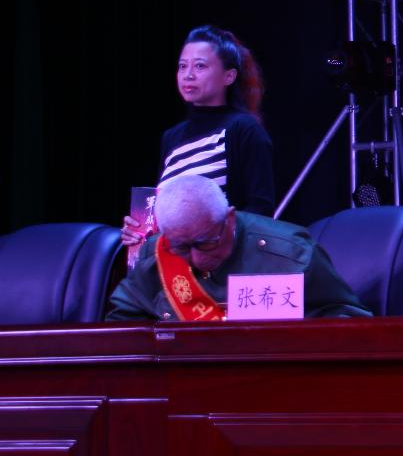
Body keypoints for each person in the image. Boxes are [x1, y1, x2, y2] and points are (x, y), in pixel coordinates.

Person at [107, 175, 369, 321]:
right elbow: (123, 323)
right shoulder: (158, 253)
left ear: (229, 218)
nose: (196, 259)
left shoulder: (291, 255)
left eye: (205, 242)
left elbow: (349, 320)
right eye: (182, 248)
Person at [124, 26, 276, 252]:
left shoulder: (244, 129)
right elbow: (163, 209)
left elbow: (260, 210)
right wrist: (140, 231)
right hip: (171, 264)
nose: (188, 75)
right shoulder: (172, 137)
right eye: (182, 66)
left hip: (221, 262)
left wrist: (214, 244)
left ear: (229, 76)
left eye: (200, 66)